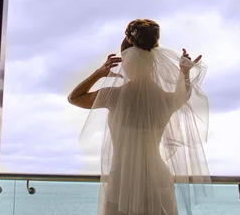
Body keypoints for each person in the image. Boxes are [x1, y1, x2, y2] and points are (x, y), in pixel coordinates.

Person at [68, 19, 211, 215]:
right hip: (156, 178)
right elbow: (183, 96)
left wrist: (99, 73)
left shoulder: (114, 96)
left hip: (122, 179)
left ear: (126, 61)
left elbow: (74, 98)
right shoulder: (164, 100)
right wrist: (184, 73)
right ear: (153, 62)